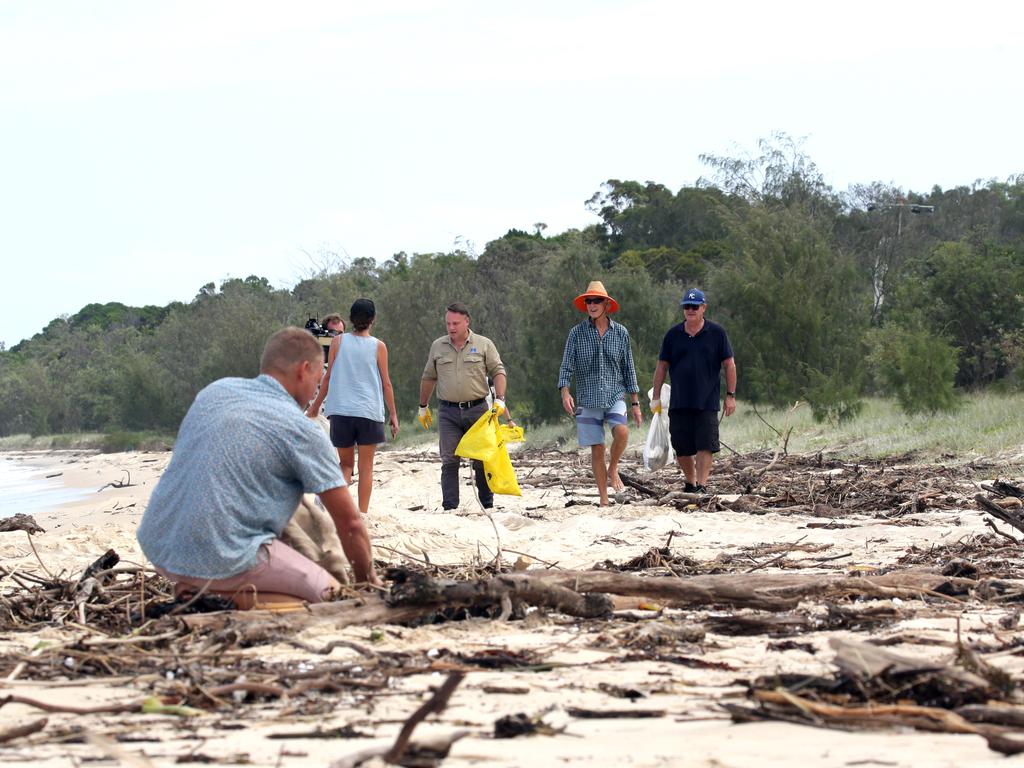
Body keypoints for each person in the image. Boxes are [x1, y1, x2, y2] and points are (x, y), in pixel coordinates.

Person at [137, 327, 380, 609]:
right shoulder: (300, 429)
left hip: (163, 546)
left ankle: (198, 587)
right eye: (318, 379)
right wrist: (367, 584)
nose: (317, 391)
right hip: (224, 555)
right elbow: (350, 524)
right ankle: (221, 598)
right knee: (332, 598)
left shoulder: (214, 392)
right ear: (304, 370)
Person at [306, 298, 399, 515]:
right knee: (366, 469)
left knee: (345, 465)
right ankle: (363, 514)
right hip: (369, 413)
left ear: (351, 319)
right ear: (373, 319)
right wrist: (393, 414)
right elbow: (386, 383)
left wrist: (315, 407)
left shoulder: (338, 343)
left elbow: (327, 378)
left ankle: (330, 503)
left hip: (341, 412)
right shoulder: (379, 346)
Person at [418, 302, 511, 510]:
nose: (451, 327)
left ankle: (487, 504)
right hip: (448, 412)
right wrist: (422, 406)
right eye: (448, 323)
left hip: (478, 410)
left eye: (456, 323)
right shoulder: (437, 346)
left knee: (481, 459)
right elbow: (428, 377)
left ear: (467, 321)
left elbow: (498, 372)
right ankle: (450, 507)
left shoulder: (484, 344)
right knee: (449, 458)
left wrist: (500, 399)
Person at [558, 280, 643, 506]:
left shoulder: (621, 333)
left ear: (606, 304)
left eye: (596, 300)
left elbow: (628, 368)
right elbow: (566, 365)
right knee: (597, 448)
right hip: (588, 397)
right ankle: (604, 500)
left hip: (615, 393)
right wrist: (565, 392)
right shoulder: (576, 333)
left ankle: (613, 468)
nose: (592, 305)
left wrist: (635, 403)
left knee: (622, 432)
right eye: (588, 301)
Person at [651, 288, 737, 495]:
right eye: (686, 307)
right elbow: (662, 367)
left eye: (694, 306)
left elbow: (730, 364)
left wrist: (730, 395)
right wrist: (655, 397)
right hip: (679, 400)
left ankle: (702, 484)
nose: (690, 310)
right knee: (682, 447)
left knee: (706, 444)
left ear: (703, 308)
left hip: (707, 400)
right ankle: (690, 483)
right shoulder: (673, 335)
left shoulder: (717, 333)